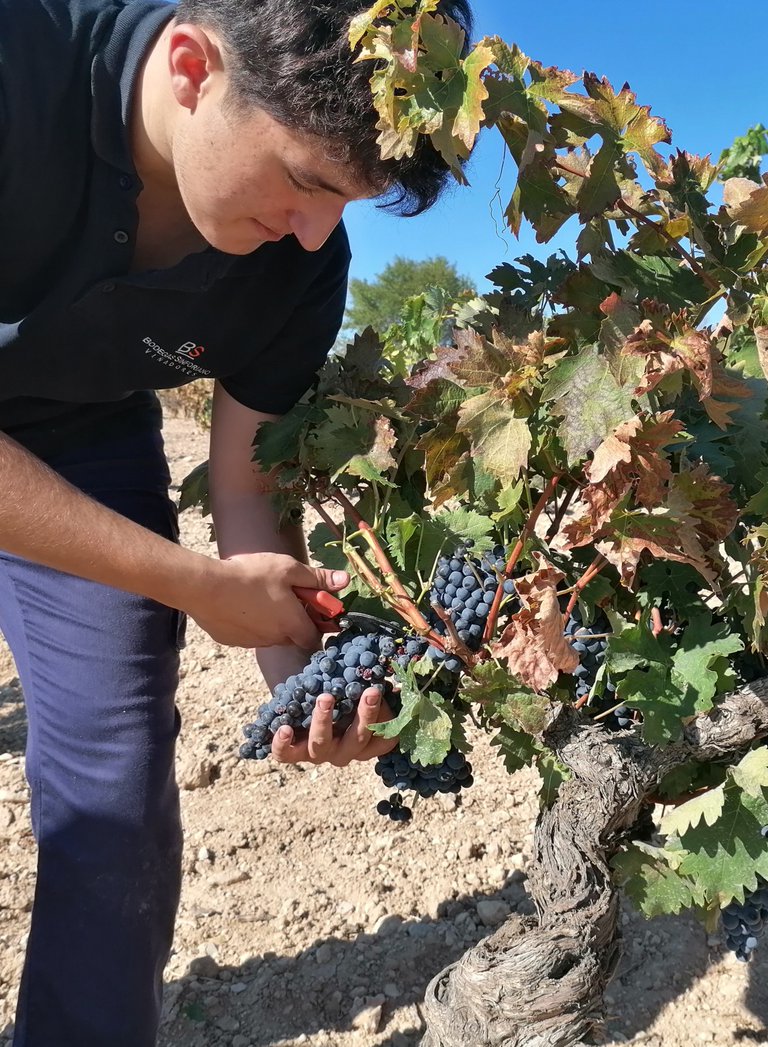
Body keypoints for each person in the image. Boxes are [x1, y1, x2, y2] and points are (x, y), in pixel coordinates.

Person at [0, 0, 474, 1041]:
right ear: (189, 68)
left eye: (349, 203)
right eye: (307, 182)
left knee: (113, 790)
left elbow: (249, 491)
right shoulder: (19, 57)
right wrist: (190, 583)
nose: (315, 233)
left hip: (78, 433)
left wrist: (301, 678)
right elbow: (203, 574)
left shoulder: (301, 268)